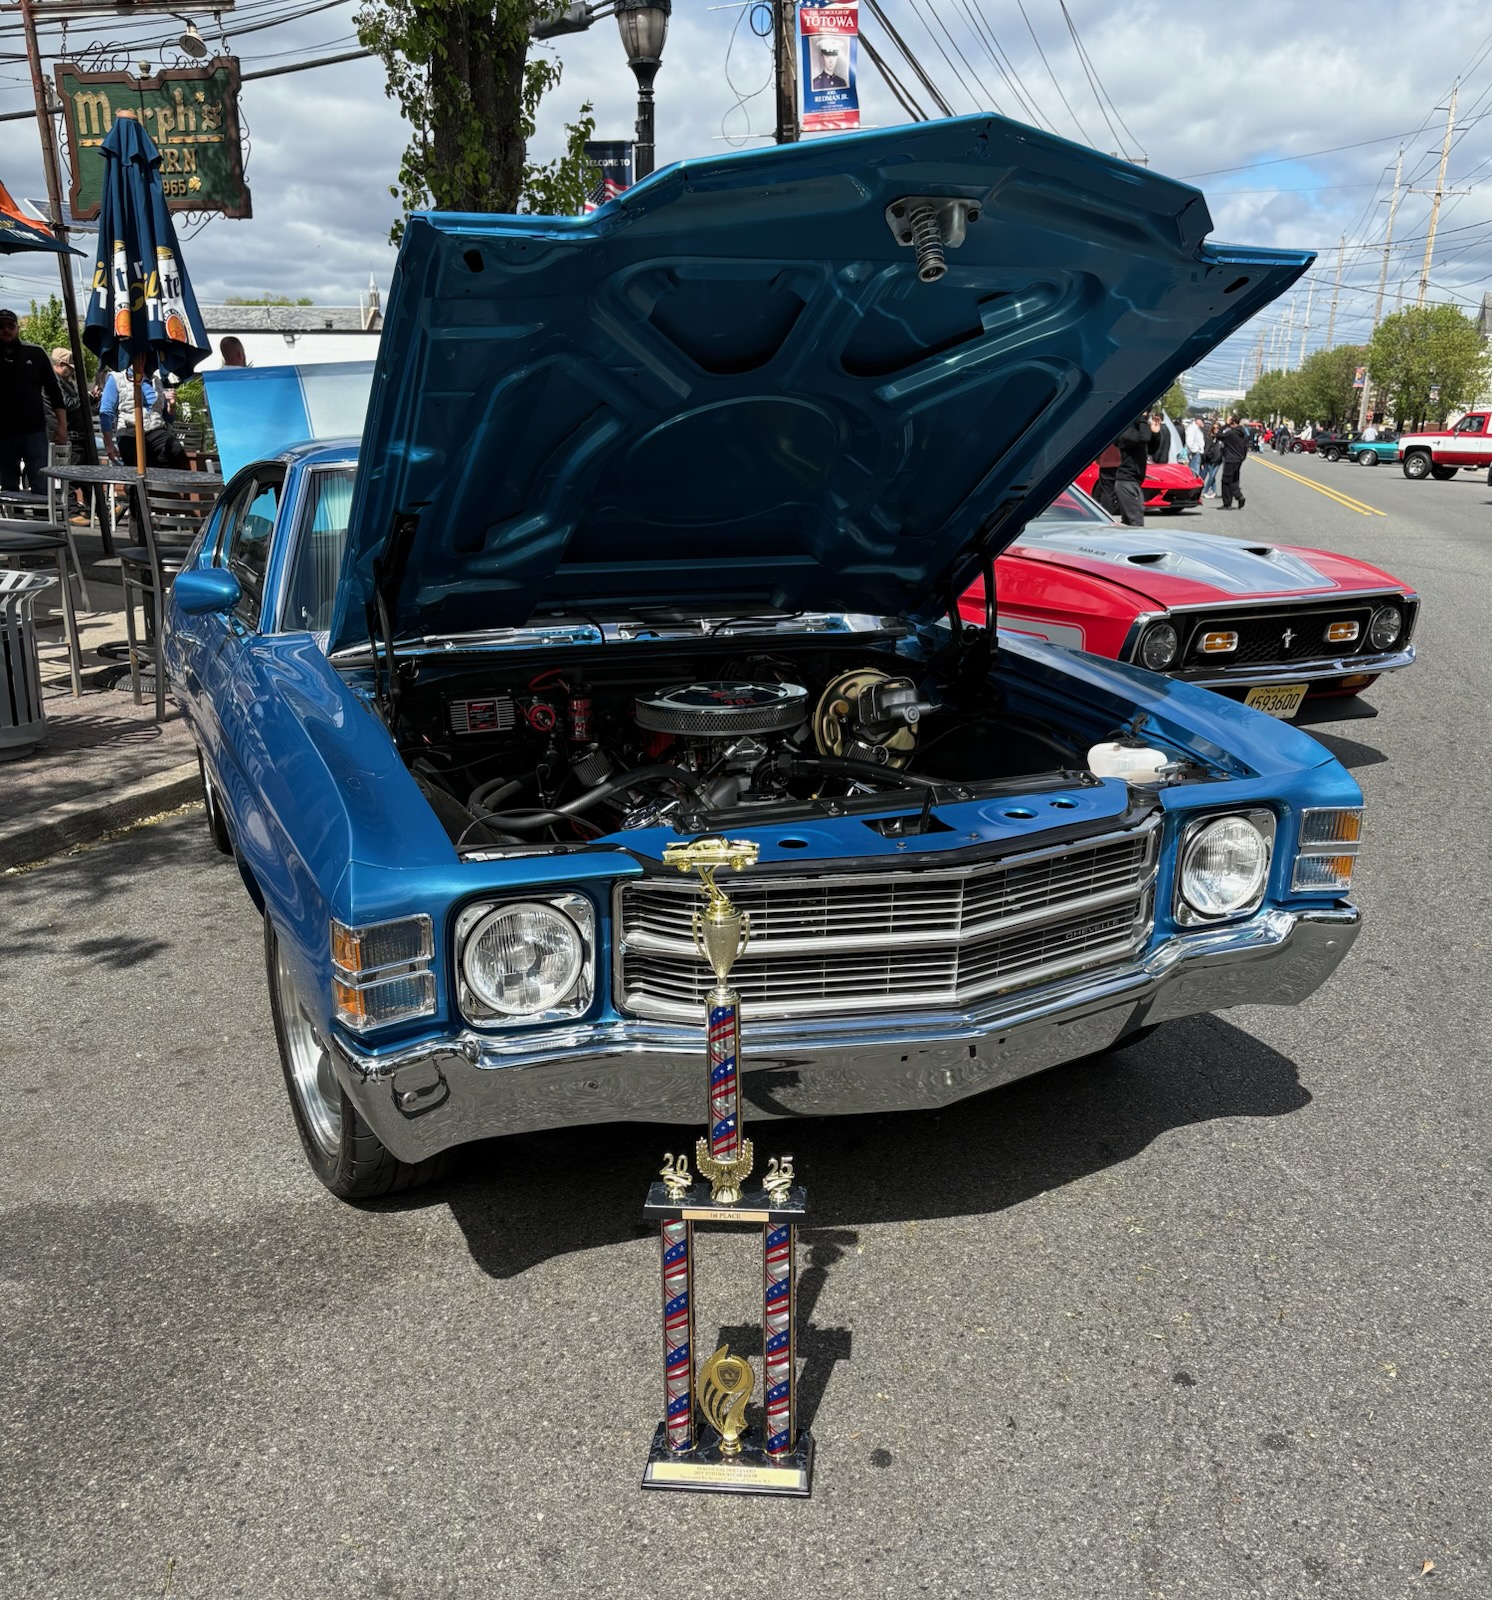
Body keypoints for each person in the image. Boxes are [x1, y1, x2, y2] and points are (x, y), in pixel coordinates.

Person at [0, 307, 67, 491]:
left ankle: (42, 511)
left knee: (41, 485)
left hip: (34, 432)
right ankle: (10, 512)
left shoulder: (35, 353)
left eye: (10, 326)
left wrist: (62, 425)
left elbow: (54, 392)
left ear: (17, 328)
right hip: (3, 435)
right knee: (7, 488)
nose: (6, 330)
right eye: (1, 326)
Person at [99, 366, 188, 470]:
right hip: (129, 432)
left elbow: (167, 418)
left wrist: (171, 406)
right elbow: (106, 412)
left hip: (155, 430)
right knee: (139, 468)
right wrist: (109, 444)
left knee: (175, 451)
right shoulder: (116, 378)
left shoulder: (156, 380)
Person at [1113, 411, 1162, 526]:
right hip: (1127, 481)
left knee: (1129, 522)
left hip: (1132, 481)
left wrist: (1155, 434)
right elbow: (1145, 438)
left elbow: (1151, 449)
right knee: (1136, 521)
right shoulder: (1127, 432)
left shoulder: (1136, 432)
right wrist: (1142, 417)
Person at [1218, 415, 1250, 509]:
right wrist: (1242, 457)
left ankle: (1227, 503)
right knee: (1234, 480)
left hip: (1230, 459)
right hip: (1238, 459)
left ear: (1233, 423)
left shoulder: (1231, 433)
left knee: (1226, 481)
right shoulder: (1243, 433)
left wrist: (1225, 425)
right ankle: (1238, 496)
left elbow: (1219, 435)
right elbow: (1246, 447)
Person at [1184, 414, 1204, 479]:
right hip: (1194, 454)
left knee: (1194, 472)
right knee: (1194, 472)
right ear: (1197, 421)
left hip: (1196, 453)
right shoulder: (1192, 428)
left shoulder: (1197, 428)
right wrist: (1196, 449)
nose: (1203, 422)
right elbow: (1189, 442)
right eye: (1202, 420)